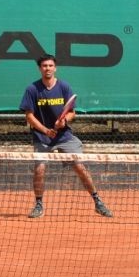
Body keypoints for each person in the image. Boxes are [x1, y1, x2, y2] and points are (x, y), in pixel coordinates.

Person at [19, 54, 113, 219]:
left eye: (50, 66)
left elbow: (71, 113)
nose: (47, 68)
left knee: (79, 167)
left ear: (55, 68)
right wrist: (45, 130)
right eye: (44, 66)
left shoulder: (64, 87)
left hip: (64, 136)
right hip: (42, 137)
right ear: (40, 68)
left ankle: (97, 201)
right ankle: (39, 204)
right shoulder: (32, 89)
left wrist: (64, 121)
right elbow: (29, 116)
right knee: (40, 169)